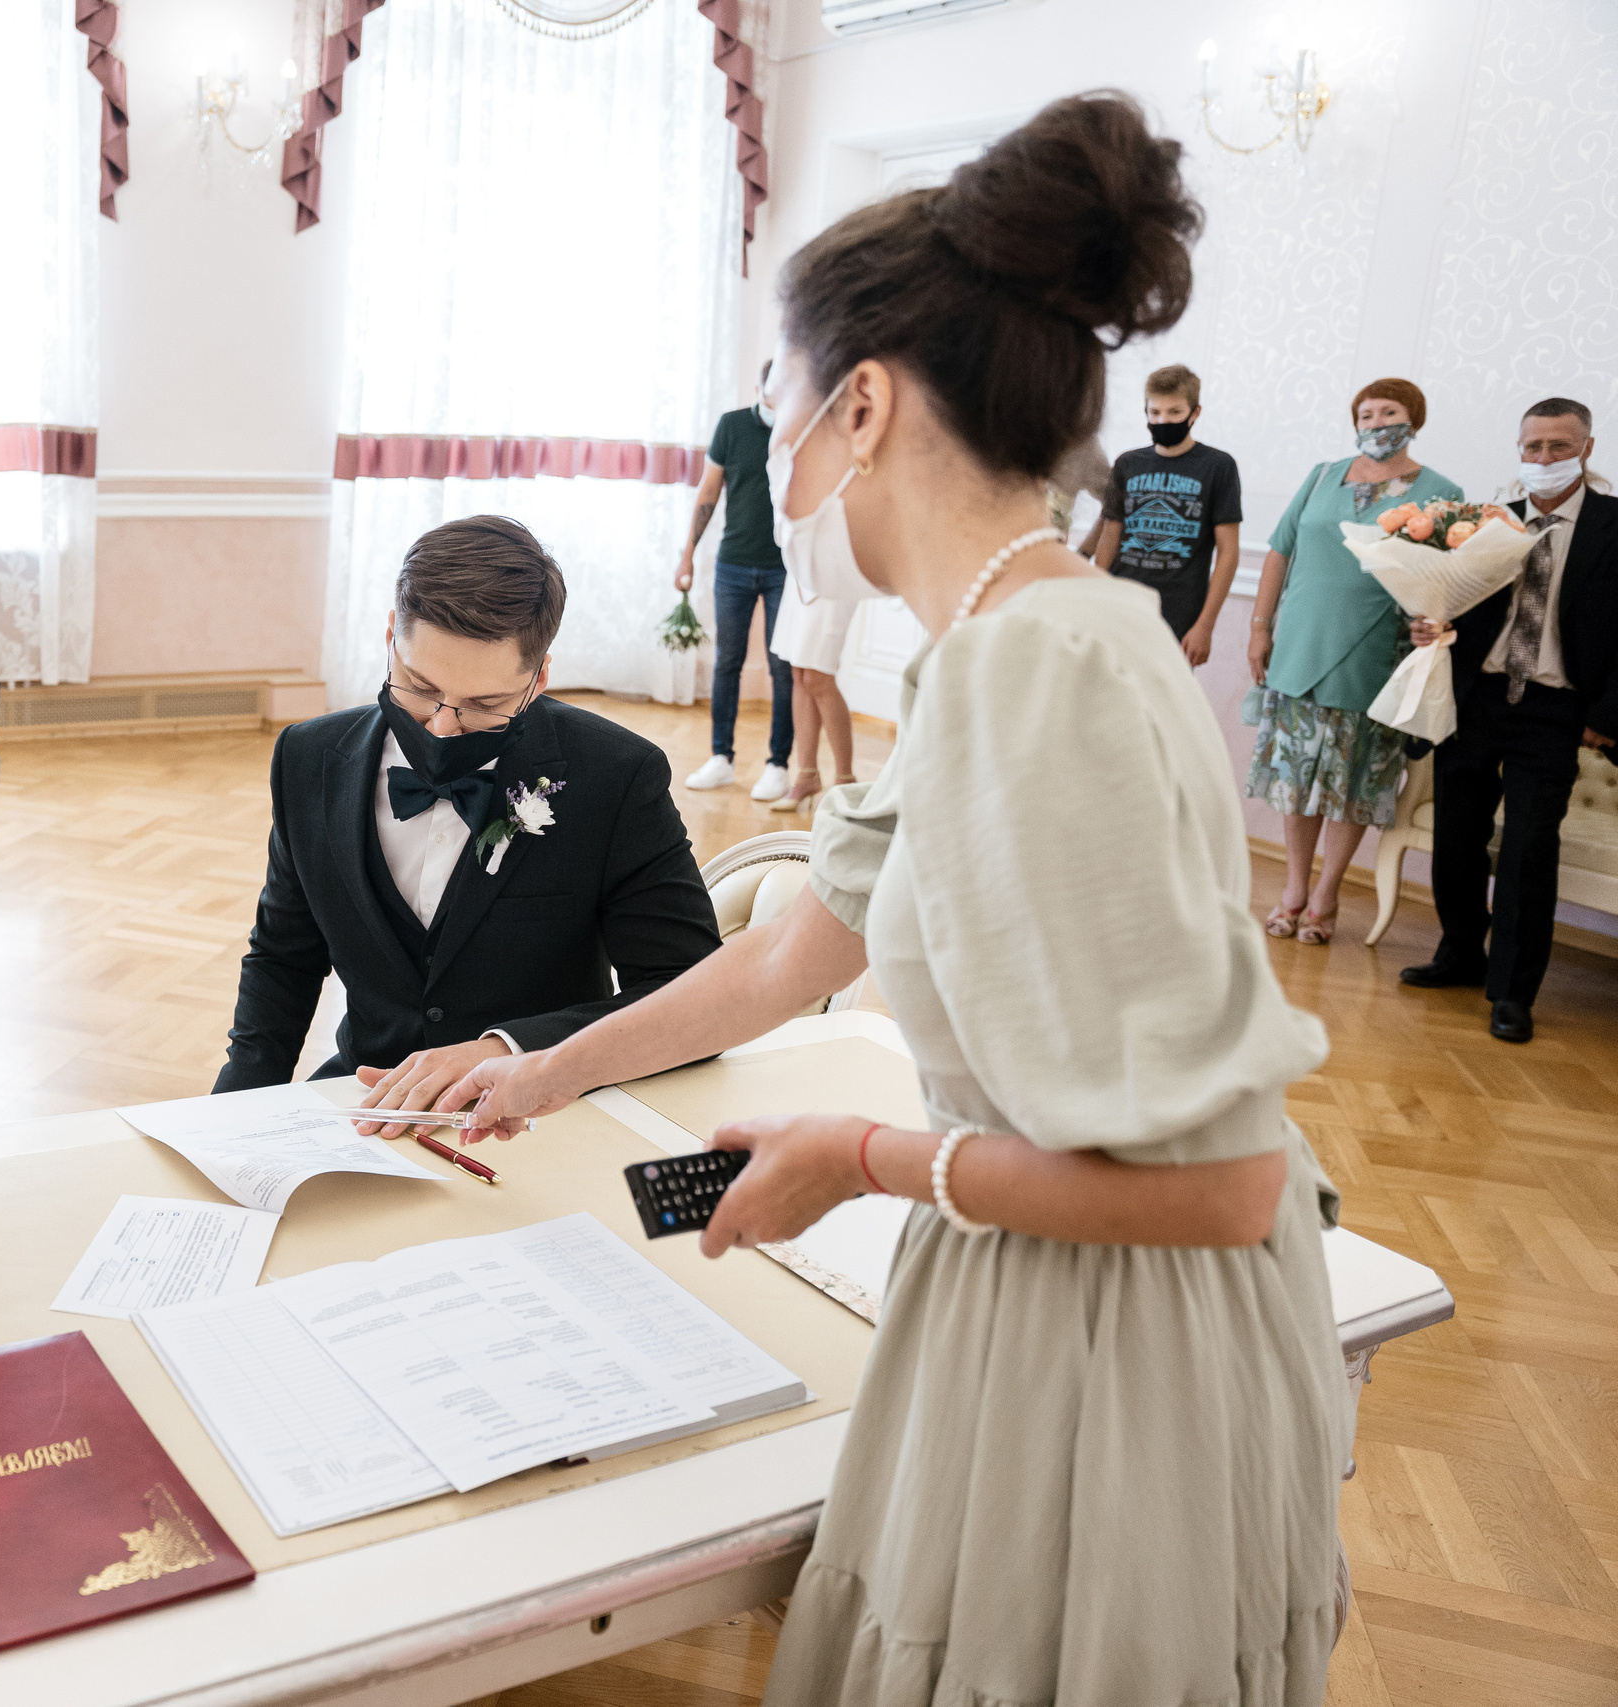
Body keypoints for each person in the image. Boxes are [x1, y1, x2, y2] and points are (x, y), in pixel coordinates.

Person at [449, 93, 1349, 1706]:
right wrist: (548, 1066)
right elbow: (798, 949)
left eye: (778, 396)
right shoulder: (994, 644)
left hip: (1107, 1335)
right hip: (1017, 1271)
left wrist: (865, 1155)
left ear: (857, 403)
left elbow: (1220, 1187)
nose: (774, 436)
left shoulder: (1044, 664)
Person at [214, 515, 719, 1122]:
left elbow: (689, 996)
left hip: (549, 1115)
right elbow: (282, 959)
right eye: (418, 687)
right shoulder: (307, 758)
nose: (442, 726)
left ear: (539, 679)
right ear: (388, 643)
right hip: (366, 1104)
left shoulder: (617, 776)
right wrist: (226, 1119)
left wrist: (509, 1052)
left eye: (485, 706)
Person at [1402, 398, 1618, 1043]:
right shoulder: (1485, 523)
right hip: (1477, 698)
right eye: (1533, 447)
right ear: (1519, 449)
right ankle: (1460, 954)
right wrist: (1422, 625)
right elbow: (1442, 600)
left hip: (1557, 710)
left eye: (1559, 446)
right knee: (1459, 835)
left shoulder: (1613, 525)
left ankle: (1512, 991)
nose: (1544, 459)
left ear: (1586, 447)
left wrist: (1605, 716)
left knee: (1528, 846)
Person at [1246, 380, 1462, 944]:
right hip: (1298, 644)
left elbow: (1448, 581)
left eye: (1388, 411)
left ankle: (1327, 895)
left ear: (1413, 418)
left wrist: (1432, 625)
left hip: (1375, 652)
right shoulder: (1321, 476)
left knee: (1352, 780)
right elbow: (1278, 549)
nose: (1375, 421)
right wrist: (1259, 628)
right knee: (1296, 776)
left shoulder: (1442, 492)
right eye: (1365, 413)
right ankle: (1294, 888)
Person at [679, 361, 798, 802]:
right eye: (775, 385)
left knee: (782, 667)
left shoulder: (800, 430)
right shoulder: (731, 426)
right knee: (727, 660)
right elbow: (708, 494)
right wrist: (687, 554)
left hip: (786, 569)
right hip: (732, 565)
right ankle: (721, 759)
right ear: (760, 386)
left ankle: (778, 764)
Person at [1096, 363, 1244, 663]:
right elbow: (1110, 534)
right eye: (1155, 412)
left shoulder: (1218, 466)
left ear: (1195, 412)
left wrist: (1205, 625)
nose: (1163, 420)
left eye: (1174, 412)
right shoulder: (1127, 464)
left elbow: (1228, 552)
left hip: (1180, 613)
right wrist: (1095, 595)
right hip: (1121, 602)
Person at [762, 577, 856, 815]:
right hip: (801, 574)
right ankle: (807, 775)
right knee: (799, 672)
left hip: (835, 572)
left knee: (819, 675)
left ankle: (846, 780)